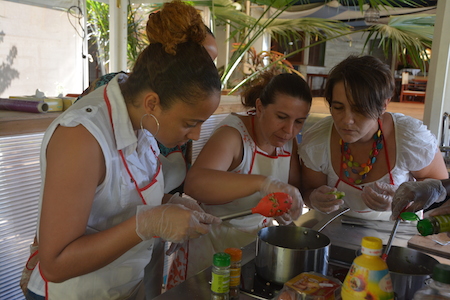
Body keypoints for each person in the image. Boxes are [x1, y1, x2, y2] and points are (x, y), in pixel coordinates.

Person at [22, 1, 222, 299]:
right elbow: (55, 263)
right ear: (153, 103)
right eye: (190, 123)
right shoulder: (81, 137)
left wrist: (171, 203)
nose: (195, 135)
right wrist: (150, 222)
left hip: (125, 286)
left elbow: (117, 197)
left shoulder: (141, 116)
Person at [184, 71, 312, 277]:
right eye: (281, 117)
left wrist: (287, 206)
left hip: (256, 244)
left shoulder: (287, 140)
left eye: (299, 121)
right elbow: (195, 184)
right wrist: (263, 183)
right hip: (213, 245)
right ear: (260, 107)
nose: (289, 130)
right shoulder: (233, 135)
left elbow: (295, 187)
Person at [299, 55, 448, 221]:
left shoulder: (410, 137)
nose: (347, 120)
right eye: (338, 107)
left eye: (359, 109)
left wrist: (402, 204)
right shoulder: (318, 140)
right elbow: (308, 192)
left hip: (397, 233)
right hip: (333, 232)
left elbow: (441, 192)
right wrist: (314, 198)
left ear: (383, 105)